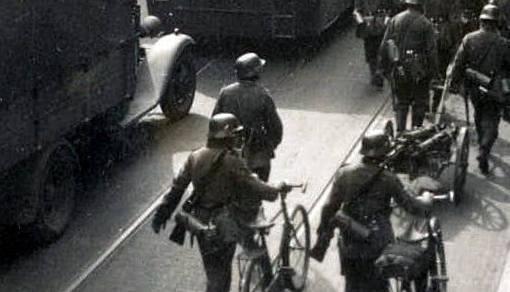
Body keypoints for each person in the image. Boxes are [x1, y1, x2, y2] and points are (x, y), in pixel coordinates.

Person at [152, 113, 282, 292]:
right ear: (227, 135)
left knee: (213, 271)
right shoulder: (232, 160)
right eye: (235, 134)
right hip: (224, 223)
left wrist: (161, 215)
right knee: (222, 276)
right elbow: (254, 186)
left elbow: (176, 188)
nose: (237, 138)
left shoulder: (194, 156)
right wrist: (275, 190)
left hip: (199, 222)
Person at [310, 131, 434, 292]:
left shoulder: (344, 173)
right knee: (379, 284)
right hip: (377, 245)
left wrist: (323, 235)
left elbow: (328, 208)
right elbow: (412, 207)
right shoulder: (389, 179)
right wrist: (427, 199)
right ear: (385, 153)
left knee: (352, 283)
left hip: (350, 242)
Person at [447, 4, 510, 174]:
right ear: (497, 22)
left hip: (475, 87)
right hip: (494, 88)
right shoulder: (504, 43)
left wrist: (454, 84)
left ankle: (481, 141)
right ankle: (485, 149)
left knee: (478, 113)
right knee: (492, 119)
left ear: (481, 21)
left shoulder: (469, 38)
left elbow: (459, 63)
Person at [211, 53, 284, 182]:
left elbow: (215, 122)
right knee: (258, 191)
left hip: (229, 154)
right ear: (257, 72)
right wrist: (269, 147)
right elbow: (276, 128)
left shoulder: (225, 92)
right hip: (257, 157)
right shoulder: (263, 95)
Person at [378, 0, 439, 132]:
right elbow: (432, 52)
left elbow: (384, 46)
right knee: (419, 103)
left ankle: (400, 133)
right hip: (420, 72)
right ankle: (415, 133)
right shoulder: (426, 24)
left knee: (402, 103)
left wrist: (384, 69)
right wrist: (435, 74)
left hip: (399, 69)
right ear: (422, 4)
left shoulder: (395, 20)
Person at [353, 0, 403, 87]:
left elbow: (356, 10)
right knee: (384, 48)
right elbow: (398, 3)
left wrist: (361, 22)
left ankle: (374, 72)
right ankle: (382, 71)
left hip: (367, 23)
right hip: (383, 22)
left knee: (370, 49)